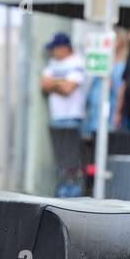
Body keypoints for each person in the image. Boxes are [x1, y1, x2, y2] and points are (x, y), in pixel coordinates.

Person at [41, 32, 87, 197]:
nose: (52, 52)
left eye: (54, 49)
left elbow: (68, 89)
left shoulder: (77, 61)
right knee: (60, 159)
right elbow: (44, 85)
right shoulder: (53, 63)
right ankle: (62, 190)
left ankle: (74, 192)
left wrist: (54, 83)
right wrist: (60, 83)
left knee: (73, 159)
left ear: (64, 48)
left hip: (72, 117)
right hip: (57, 117)